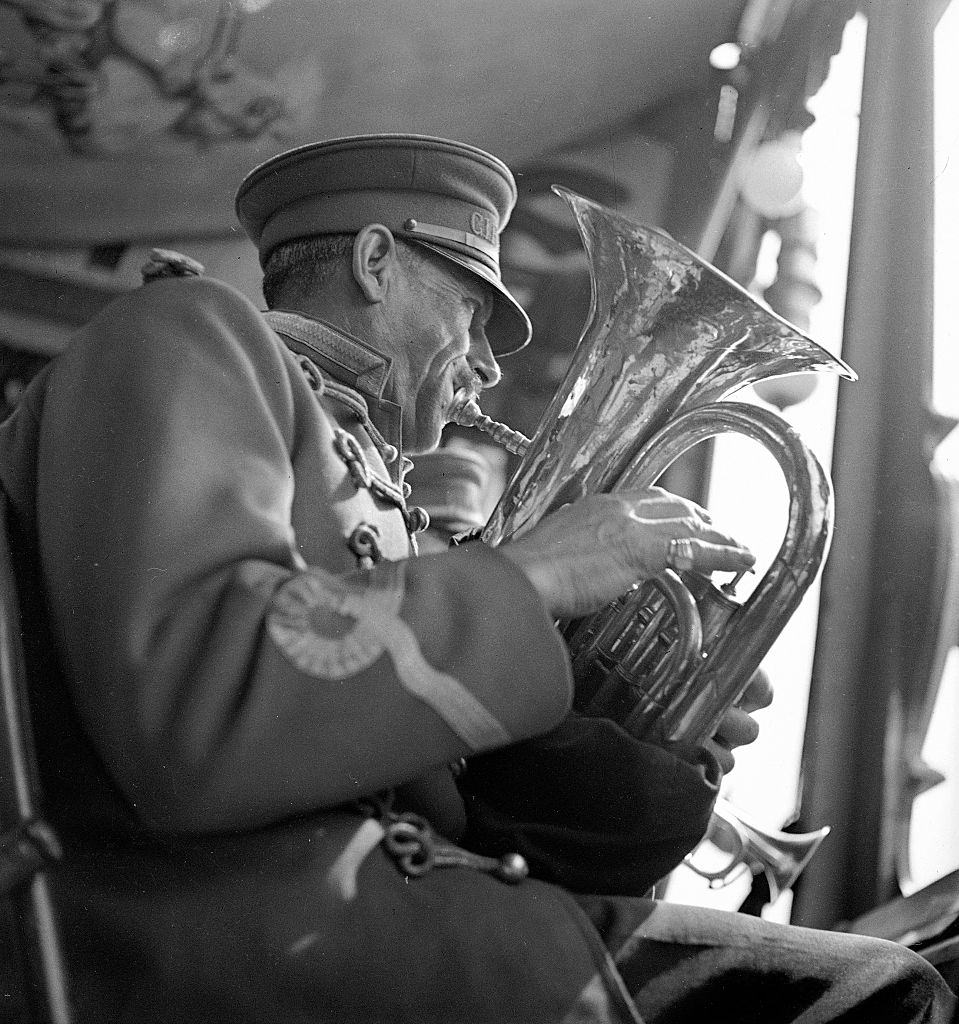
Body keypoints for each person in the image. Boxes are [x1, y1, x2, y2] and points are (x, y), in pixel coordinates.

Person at [0, 133, 953, 1024]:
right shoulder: (189, 330)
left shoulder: (377, 483)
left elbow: (456, 810)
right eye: (473, 310)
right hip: (211, 937)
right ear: (377, 262)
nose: (490, 369)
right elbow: (193, 712)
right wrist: (530, 574)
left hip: (378, 928)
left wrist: (641, 732)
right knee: (883, 992)